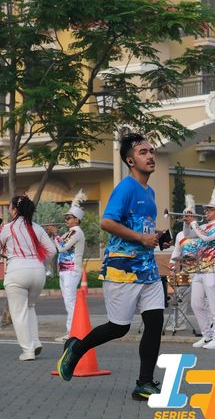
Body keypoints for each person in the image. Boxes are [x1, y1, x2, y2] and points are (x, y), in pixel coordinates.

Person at [57, 133, 169, 401]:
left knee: (155, 323)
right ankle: (76, 348)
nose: (150, 156)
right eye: (143, 152)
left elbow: (139, 226)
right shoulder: (125, 188)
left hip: (147, 268)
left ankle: (144, 383)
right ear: (130, 161)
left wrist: (156, 236)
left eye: (151, 151)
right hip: (123, 269)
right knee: (119, 327)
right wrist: (141, 237)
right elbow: (107, 222)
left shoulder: (149, 192)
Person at [0, 195, 56, 361]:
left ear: (14, 210)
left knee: (19, 313)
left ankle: (28, 351)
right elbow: (52, 250)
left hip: (17, 272)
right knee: (30, 307)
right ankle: (35, 342)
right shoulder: (37, 228)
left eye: (10, 207)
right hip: (38, 272)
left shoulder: (7, 228)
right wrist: (41, 263)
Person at [183, 182, 215, 350]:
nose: (206, 212)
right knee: (196, 304)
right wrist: (187, 222)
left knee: (214, 307)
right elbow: (188, 235)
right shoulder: (203, 226)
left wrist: (194, 223)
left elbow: (206, 237)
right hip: (200, 271)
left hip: (213, 271)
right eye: (206, 209)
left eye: (209, 210)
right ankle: (207, 336)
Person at [54, 190, 87, 342]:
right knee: (68, 302)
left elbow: (61, 247)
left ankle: (72, 332)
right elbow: (59, 244)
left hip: (71, 270)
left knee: (70, 302)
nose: (66, 220)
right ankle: (71, 331)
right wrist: (55, 235)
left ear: (77, 220)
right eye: (66, 218)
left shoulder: (76, 232)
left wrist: (55, 234)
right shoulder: (70, 232)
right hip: (65, 271)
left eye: (69, 217)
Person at [167, 194, 200, 331]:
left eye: (189, 215)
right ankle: (179, 323)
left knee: (202, 299)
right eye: (185, 216)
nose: (186, 218)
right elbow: (177, 251)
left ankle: (210, 324)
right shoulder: (180, 235)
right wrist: (171, 263)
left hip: (200, 270)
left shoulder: (200, 231)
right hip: (186, 270)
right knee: (180, 296)